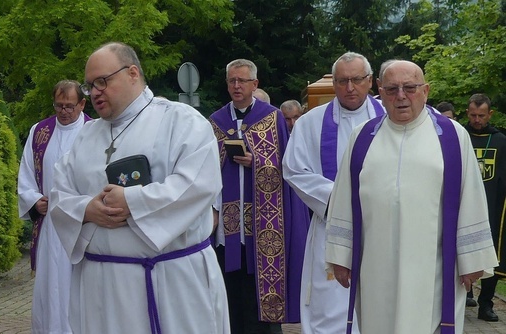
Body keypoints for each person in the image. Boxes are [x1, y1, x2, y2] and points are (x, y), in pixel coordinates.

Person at [49, 42, 230, 334]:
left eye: (102, 82)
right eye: (89, 85)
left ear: (133, 73)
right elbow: (59, 193)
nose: (94, 92)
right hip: (99, 287)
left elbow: (197, 185)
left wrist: (132, 201)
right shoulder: (86, 136)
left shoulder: (181, 121)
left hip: (168, 283)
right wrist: (86, 210)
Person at [325, 60, 498, 333]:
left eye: (410, 87)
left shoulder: (452, 137)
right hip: (375, 265)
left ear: (426, 90)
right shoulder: (363, 138)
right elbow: (344, 199)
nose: (401, 96)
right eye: (392, 89)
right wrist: (340, 255)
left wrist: (473, 260)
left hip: (434, 270)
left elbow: (472, 198)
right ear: (380, 92)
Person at [282, 52, 384, 334]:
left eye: (356, 80)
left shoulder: (392, 118)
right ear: (334, 83)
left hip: (384, 227)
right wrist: (342, 202)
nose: (349, 88)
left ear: (370, 81)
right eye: (342, 81)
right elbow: (294, 169)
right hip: (333, 227)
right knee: (331, 307)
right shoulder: (310, 123)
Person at [209, 59, 309, 334]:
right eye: (232, 81)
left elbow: (287, 166)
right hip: (228, 223)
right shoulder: (216, 121)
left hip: (265, 221)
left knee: (260, 296)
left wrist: (257, 161)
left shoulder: (272, 117)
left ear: (255, 84)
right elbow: (206, 169)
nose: (236, 86)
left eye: (242, 80)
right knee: (231, 292)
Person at [17, 80, 90, 333]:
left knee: (78, 284)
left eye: (70, 106)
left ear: (82, 103)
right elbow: (26, 174)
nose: (64, 111)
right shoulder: (40, 132)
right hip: (50, 227)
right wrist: (35, 200)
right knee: (51, 288)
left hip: (84, 225)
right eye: (59, 105)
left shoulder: (96, 131)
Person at [464, 93, 506, 322]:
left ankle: (486, 304)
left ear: (490, 114)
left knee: (492, 257)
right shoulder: (459, 136)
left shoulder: (500, 141)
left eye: (481, 115)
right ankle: (460, 298)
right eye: (473, 115)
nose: (477, 120)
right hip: (462, 208)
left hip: (492, 208)